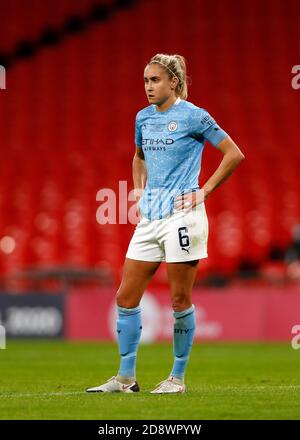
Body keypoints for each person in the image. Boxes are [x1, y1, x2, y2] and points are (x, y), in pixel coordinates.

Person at [86, 53, 245, 394]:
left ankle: (177, 378)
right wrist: (140, 192)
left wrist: (204, 191)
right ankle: (126, 378)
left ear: (173, 82)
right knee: (126, 297)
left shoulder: (194, 116)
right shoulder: (143, 118)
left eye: (155, 80)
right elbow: (138, 157)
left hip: (182, 217)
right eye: (145, 80)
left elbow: (234, 154)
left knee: (178, 300)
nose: (148, 87)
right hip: (151, 217)